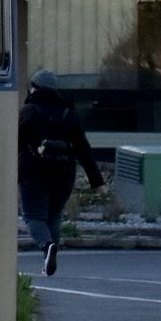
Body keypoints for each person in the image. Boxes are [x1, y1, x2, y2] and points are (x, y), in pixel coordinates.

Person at [19, 71, 103, 278]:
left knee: (32, 216)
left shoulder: (29, 111)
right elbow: (83, 148)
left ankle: (47, 246)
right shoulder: (68, 113)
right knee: (54, 214)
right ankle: (50, 253)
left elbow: (15, 141)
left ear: (34, 87)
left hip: (34, 172)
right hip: (64, 173)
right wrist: (95, 179)